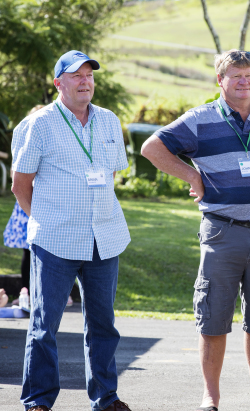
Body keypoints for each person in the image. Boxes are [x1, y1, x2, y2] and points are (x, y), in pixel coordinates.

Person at [141, 49, 250, 411]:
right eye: (236, 76)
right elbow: (152, 148)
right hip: (222, 233)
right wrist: (192, 175)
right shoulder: (200, 119)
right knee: (213, 319)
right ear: (220, 80)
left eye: (249, 76)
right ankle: (211, 398)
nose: (245, 82)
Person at [11, 50, 132, 411]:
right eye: (76, 75)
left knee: (103, 325)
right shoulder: (39, 124)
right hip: (55, 241)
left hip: (104, 239)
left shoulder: (109, 120)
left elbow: (111, 174)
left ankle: (106, 398)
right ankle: (38, 400)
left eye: (89, 75)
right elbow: (20, 184)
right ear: (58, 83)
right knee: (44, 325)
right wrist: (44, 220)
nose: (85, 81)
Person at [4, 105, 73, 309]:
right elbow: (16, 176)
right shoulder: (26, 142)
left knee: (60, 251)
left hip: (52, 205)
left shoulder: (58, 141)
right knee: (29, 252)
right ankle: (26, 291)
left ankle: (62, 293)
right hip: (29, 205)